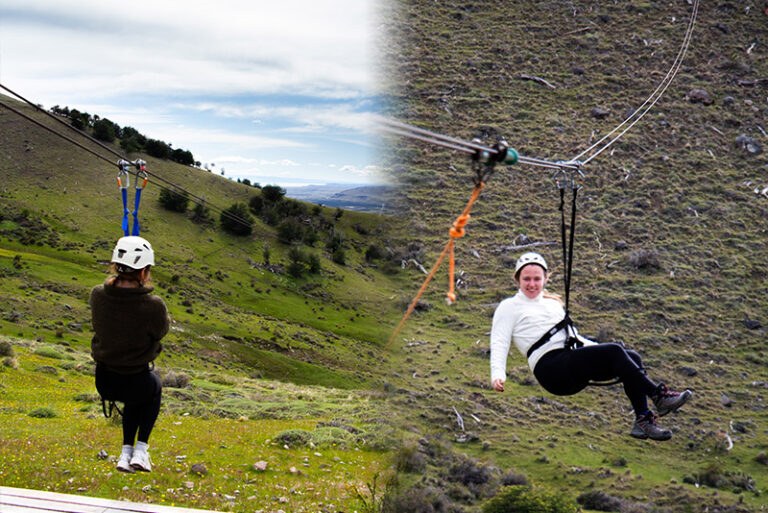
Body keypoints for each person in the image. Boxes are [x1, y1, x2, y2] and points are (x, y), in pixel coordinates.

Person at [490, 252, 692, 441]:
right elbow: (499, 341)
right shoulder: (509, 307)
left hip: (570, 363)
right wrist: (498, 374)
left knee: (632, 356)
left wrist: (605, 351)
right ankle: (659, 396)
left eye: (536, 279)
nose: (532, 284)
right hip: (550, 369)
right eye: (526, 279)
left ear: (545, 279)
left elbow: (574, 337)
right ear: (517, 280)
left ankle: (643, 421)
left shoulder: (552, 305)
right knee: (615, 351)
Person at [90, 236, 169, 471]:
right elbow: (161, 331)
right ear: (144, 271)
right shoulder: (153, 304)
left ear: (115, 265)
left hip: (104, 380)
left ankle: (126, 454)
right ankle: (141, 451)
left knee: (136, 394)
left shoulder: (98, 294)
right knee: (151, 389)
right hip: (136, 379)